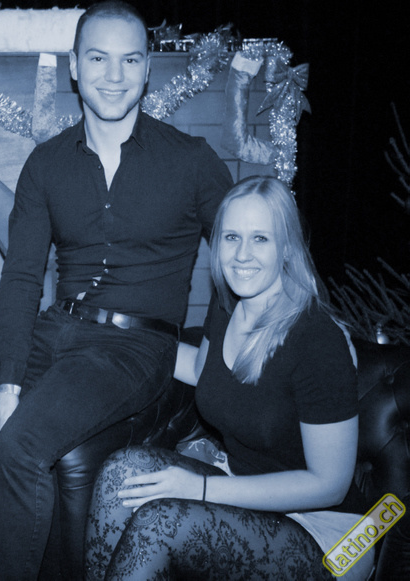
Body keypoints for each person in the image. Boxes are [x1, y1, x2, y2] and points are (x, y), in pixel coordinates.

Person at [0, 2, 233, 579]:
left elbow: (244, 259)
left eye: (129, 60)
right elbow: (21, 277)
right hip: (54, 330)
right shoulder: (46, 164)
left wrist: (220, 350)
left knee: (20, 446)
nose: (114, 75)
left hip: (133, 349)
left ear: (147, 68)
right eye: (98, 59)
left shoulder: (193, 161)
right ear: (75, 69)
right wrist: (8, 381)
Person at [83, 176, 373, 581]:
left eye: (260, 239)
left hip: (328, 530)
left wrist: (200, 489)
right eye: (232, 237)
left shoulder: (317, 341)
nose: (242, 255)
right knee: (121, 472)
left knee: (158, 525)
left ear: (287, 248)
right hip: (247, 492)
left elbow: (330, 485)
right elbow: (202, 371)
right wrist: (115, 340)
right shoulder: (227, 306)